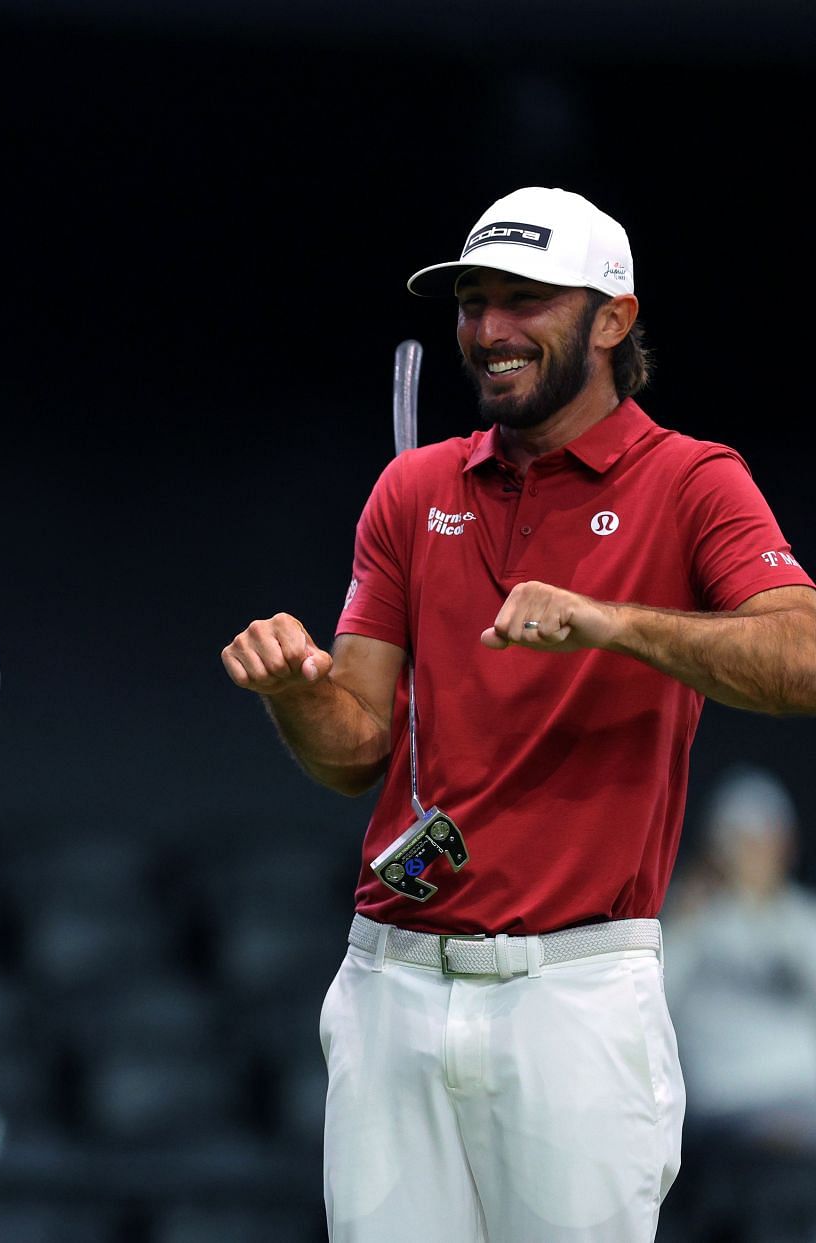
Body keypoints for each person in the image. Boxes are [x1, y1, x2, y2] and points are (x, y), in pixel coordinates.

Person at [219, 185, 816, 1243]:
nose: (489, 331)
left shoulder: (692, 480)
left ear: (615, 317)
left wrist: (615, 622)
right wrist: (296, 692)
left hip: (576, 992)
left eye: (525, 301)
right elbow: (355, 750)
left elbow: (802, 656)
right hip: (390, 973)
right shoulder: (412, 488)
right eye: (473, 303)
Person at [662, 765, 816, 1239]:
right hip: (721, 1121)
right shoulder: (687, 918)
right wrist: (691, 916)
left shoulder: (797, 917)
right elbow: (654, 1008)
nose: (752, 853)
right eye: (741, 839)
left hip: (799, 1111)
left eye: (763, 839)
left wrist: (761, 905)